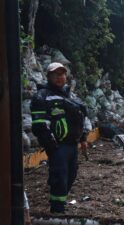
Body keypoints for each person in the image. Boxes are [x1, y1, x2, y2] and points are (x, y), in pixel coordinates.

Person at [31, 62, 88, 214]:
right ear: (49, 76)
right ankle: (57, 210)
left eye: (62, 74)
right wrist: (52, 147)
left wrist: (83, 139)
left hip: (72, 145)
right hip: (58, 146)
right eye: (56, 74)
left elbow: (79, 118)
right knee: (60, 177)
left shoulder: (70, 95)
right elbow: (39, 125)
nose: (59, 77)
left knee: (71, 174)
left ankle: (59, 203)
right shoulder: (42, 96)